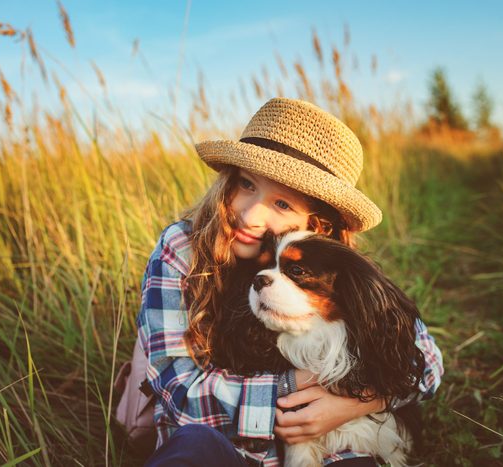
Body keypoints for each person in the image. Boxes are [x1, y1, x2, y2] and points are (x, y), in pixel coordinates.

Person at [136, 98, 443, 466]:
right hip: (220, 445)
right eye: (246, 185)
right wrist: (293, 389)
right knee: (194, 448)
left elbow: (425, 362)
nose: (250, 215)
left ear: (317, 226)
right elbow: (180, 394)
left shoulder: (339, 270)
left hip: (334, 448)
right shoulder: (181, 248)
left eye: (283, 205)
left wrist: (354, 402)